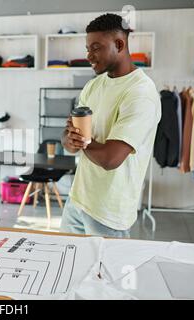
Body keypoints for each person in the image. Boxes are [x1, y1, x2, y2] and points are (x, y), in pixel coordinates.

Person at [60, 13, 161, 238]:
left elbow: (110, 159)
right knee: (70, 270)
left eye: (96, 47)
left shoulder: (140, 93)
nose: (89, 55)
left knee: (102, 274)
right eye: (87, 48)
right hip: (77, 202)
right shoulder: (93, 86)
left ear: (119, 44)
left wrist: (82, 140)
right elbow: (70, 141)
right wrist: (69, 139)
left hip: (109, 213)